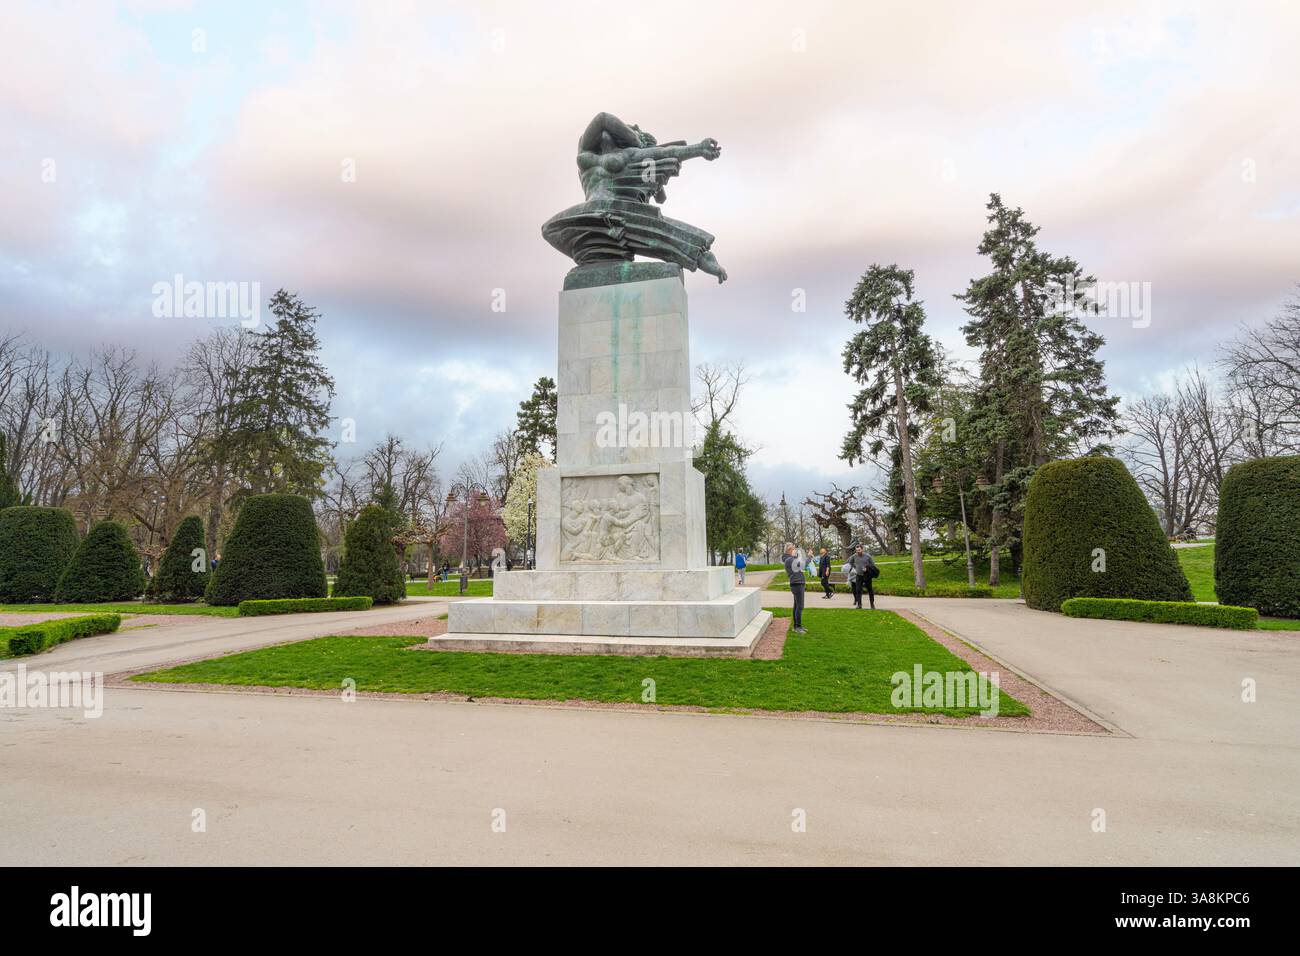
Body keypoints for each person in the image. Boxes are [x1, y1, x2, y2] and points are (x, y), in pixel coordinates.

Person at [844, 544, 878, 610]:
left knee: (870, 590)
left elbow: (873, 565)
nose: (858, 552)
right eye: (856, 550)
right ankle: (859, 605)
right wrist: (855, 567)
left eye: (859, 550)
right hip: (859, 575)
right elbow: (850, 562)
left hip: (867, 576)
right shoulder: (854, 556)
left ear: (862, 549)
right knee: (858, 590)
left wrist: (867, 568)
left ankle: (872, 604)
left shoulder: (868, 556)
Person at [783, 542, 807, 634]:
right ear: (789, 550)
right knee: (800, 606)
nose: (795, 550)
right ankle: (797, 627)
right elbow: (803, 565)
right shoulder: (789, 559)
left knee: (796, 606)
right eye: (794, 548)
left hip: (797, 583)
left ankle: (797, 626)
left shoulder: (791, 559)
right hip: (797, 584)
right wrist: (809, 557)